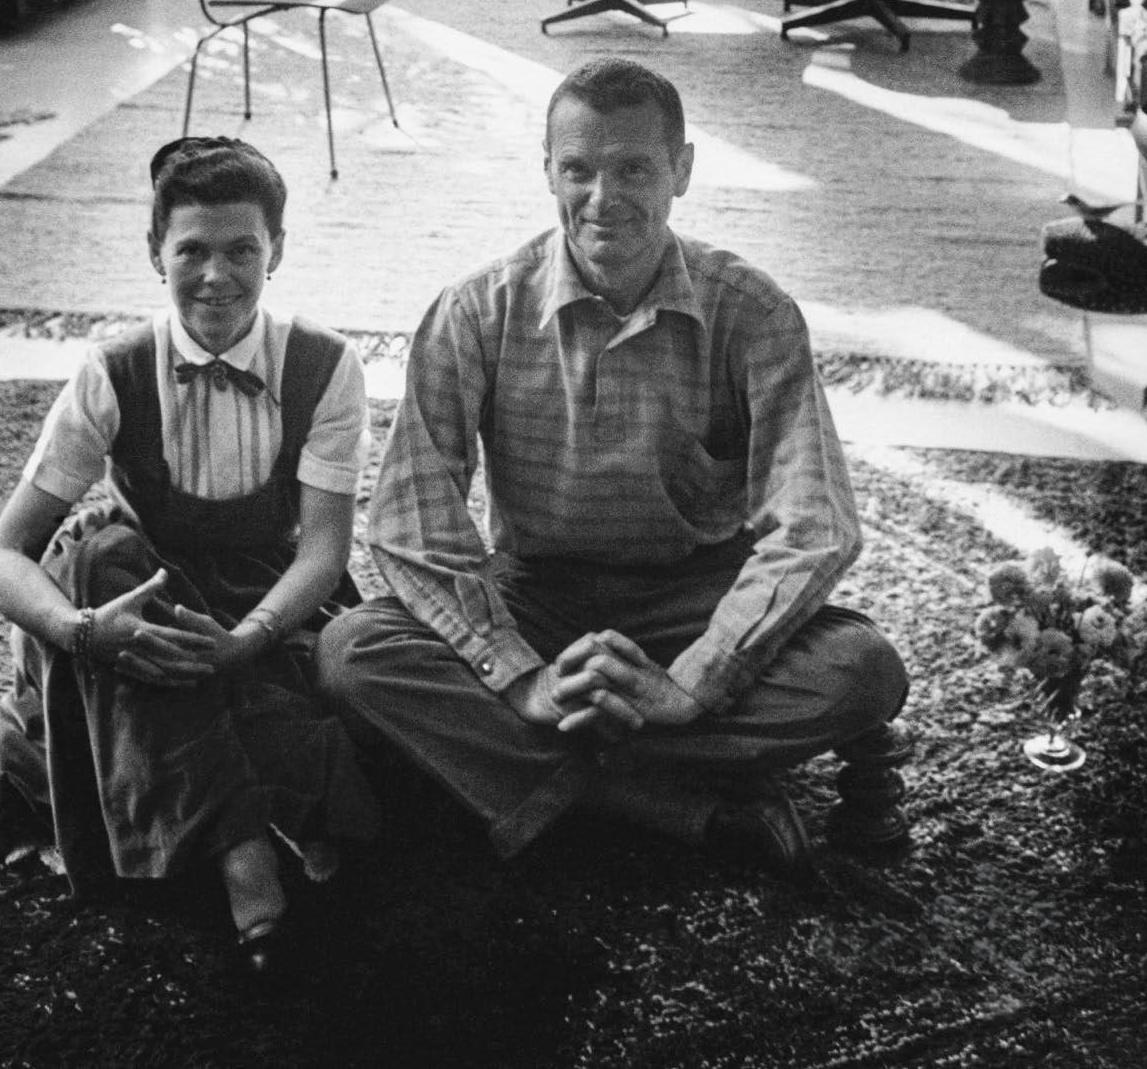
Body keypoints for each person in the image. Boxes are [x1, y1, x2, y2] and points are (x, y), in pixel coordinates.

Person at [317, 57, 908, 874]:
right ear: (548, 172)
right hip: (536, 597)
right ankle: (666, 802)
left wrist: (696, 680)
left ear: (682, 170)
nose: (603, 197)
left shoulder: (755, 311)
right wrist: (518, 676)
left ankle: (540, 777)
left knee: (863, 670)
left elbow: (814, 523)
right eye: (578, 170)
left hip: (700, 596)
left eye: (633, 169)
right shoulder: (474, 312)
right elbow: (410, 519)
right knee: (352, 652)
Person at [0, 136, 378, 981]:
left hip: (263, 604)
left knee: (308, 726)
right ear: (156, 253)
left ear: (278, 250)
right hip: (135, 602)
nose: (216, 275)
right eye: (192, 250)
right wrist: (83, 632)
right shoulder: (111, 370)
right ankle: (245, 856)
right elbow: (2, 557)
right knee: (101, 552)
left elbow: (325, 553)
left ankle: (62, 792)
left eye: (242, 250)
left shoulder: (326, 364)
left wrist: (245, 642)